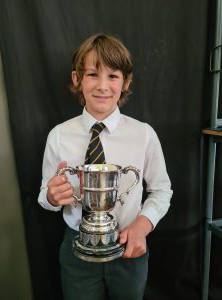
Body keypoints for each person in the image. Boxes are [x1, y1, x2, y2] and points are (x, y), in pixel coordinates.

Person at [38, 33, 173, 300]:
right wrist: (52, 196)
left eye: (112, 76)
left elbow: (162, 190)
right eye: (92, 74)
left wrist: (142, 226)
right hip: (77, 249)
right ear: (77, 80)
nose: (102, 86)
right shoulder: (58, 135)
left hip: (128, 248)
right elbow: (44, 195)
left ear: (125, 82)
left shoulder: (143, 134)